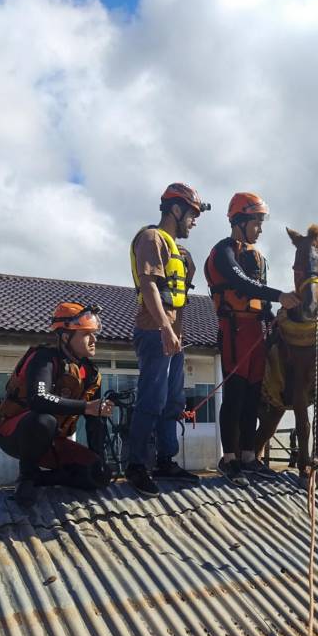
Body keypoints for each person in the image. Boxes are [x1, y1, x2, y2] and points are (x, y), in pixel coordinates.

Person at [204, 192, 299, 486]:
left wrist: (273, 317)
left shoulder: (258, 258)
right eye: (256, 223)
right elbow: (240, 283)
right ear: (240, 221)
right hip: (234, 330)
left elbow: (261, 298)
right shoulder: (223, 251)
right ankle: (229, 459)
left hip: (256, 331)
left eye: (261, 223)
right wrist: (280, 295)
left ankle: (249, 457)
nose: (259, 229)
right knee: (234, 395)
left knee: (252, 397)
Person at [126, 182, 210, 496]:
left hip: (174, 335)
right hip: (154, 331)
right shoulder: (152, 238)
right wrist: (165, 328)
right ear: (175, 209)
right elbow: (149, 285)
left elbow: (178, 298)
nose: (194, 221)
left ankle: (165, 461)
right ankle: (136, 465)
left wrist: (176, 332)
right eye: (192, 214)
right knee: (152, 398)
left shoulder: (179, 252)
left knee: (173, 400)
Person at [0, 302, 113, 507]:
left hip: (53, 442)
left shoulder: (92, 374)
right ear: (66, 337)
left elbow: (95, 421)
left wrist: (98, 460)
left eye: (94, 334)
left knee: (100, 473)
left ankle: (42, 479)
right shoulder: (45, 358)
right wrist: (86, 407)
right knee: (43, 420)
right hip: (17, 433)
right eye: (87, 334)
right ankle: (27, 477)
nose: (94, 340)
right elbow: (38, 399)